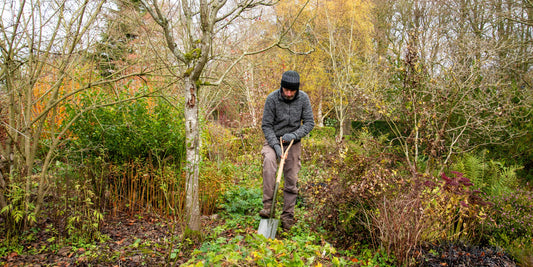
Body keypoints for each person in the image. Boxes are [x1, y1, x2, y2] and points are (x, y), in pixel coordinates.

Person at [260, 70, 314, 231]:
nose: (289, 93)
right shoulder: (272, 99)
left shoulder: (303, 98)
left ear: (296, 89)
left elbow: (309, 122)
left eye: (292, 90)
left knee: (291, 178)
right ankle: (268, 207)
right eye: (286, 90)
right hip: (273, 140)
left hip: (293, 143)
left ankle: (287, 216)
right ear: (281, 87)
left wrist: (294, 135)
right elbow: (266, 125)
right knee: (269, 163)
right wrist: (276, 146)